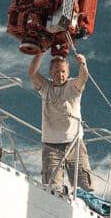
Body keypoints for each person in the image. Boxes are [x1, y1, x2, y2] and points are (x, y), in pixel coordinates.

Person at [28, 51, 94, 192]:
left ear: (68, 72)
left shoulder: (73, 87)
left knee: (84, 188)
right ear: (51, 73)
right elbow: (32, 73)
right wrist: (41, 51)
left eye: (63, 71)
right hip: (51, 145)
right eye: (57, 71)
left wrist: (82, 64)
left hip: (74, 143)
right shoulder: (46, 87)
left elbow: (83, 78)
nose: (60, 75)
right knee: (52, 188)